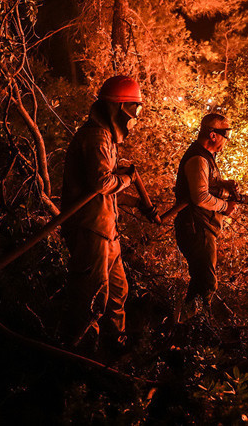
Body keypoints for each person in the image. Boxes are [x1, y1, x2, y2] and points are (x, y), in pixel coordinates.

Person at [60, 75, 157, 353]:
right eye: (134, 109)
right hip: (90, 230)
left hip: (106, 229)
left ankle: (114, 350)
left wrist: (135, 203)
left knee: (118, 291)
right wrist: (126, 178)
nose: (136, 116)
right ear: (119, 108)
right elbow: (102, 183)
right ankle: (78, 355)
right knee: (91, 296)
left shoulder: (107, 138)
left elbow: (104, 193)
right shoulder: (96, 137)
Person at [174, 113, 248, 321]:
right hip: (197, 227)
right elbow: (200, 196)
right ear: (213, 135)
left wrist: (224, 184)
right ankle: (189, 327)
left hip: (202, 227)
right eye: (226, 134)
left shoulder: (207, 158)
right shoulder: (198, 159)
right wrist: (224, 207)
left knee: (201, 282)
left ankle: (186, 326)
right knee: (206, 283)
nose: (227, 139)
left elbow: (207, 187)